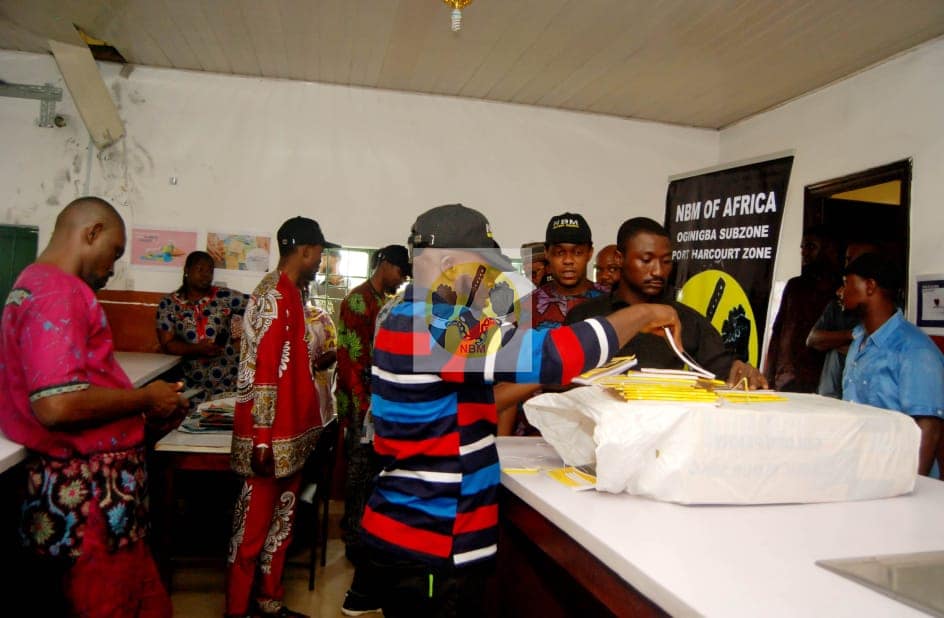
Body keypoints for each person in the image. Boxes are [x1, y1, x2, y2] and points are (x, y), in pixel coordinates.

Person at [360, 203, 682, 617]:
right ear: (447, 265)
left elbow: (471, 403)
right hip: (433, 544)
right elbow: (551, 356)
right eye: (482, 270)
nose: (489, 283)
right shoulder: (435, 325)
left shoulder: (409, 315)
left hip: (417, 537)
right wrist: (641, 314)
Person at [0, 196, 187, 617]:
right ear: (92, 233)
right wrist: (146, 396)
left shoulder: (31, 283)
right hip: (90, 504)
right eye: (114, 252)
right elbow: (57, 405)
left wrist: (144, 412)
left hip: (97, 497)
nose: (113, 267)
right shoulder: (59, 292)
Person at [225, 216, 338, 618]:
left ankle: (268, 600)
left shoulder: (294, 294)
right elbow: (264, 372)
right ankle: (237, 608)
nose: (320, 262)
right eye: (320, 254)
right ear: (305, 251)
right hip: (270, 439)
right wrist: (260, 438)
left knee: (282, 525)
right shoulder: (272, 296)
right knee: (251, 532)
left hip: (292, 436)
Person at [567, 217, 767, 387]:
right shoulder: (585, 316)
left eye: (666, 261)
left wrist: (741, 371)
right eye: (646, 260)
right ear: (620, 259)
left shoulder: (688, 320)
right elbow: (559, 381)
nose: (658, 271)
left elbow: (723, 368)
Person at [336, 245, 411, 616]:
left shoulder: (384, 302)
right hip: (359, 402)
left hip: (376, 403)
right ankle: (353, 539)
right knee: (358, 473)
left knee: (371, 475)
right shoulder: (358, 301)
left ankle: (365, 537)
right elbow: (351, 359)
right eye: (401, 272)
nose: (403, 279)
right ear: (386, 265)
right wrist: (363, 406)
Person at [839, 253, 943, 475]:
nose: (840, 291)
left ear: (870, 286)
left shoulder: (914, 349)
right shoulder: (859, 342)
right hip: (860, 473)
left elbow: (929, 429)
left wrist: (911, 487)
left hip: (895, 480)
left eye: (846, 283)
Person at [156, 251, 249, 404]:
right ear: (187, 270)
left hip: (228, 379)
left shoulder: (224, 297)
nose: (206, 275)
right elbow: (167, 344)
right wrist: (197, 349)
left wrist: (244, 338)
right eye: (200, 269)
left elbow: (258, 306)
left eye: (210, 271)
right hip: (192, 383)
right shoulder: (169, 304)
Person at [764, 225, 840, 392]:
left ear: (828, 249)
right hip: (786, 377)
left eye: (811, 247)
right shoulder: (795, 286)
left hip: (819, 380)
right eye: (803, 247)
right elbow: (778, 332)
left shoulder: (838, 291)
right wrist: (768, 375)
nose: (804, 253)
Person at [806, 241, 879, 398]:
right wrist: (852, 336)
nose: (849, 266)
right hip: (831, 398)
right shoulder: (837, 306)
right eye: (847, 259)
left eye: (857, 260)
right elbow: (812, 340)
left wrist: (835, 342)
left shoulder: (908, 347)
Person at [532, 212, 608, 329]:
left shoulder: (611, 302)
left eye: (578, 252)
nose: (568, 260)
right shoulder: (526, 307)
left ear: (589, 253)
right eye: (559, 253)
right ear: (546, 253)